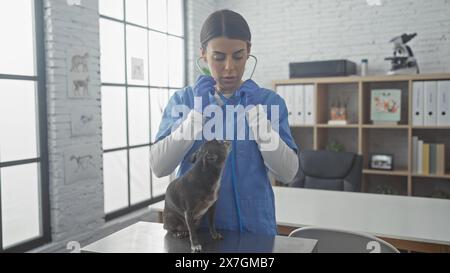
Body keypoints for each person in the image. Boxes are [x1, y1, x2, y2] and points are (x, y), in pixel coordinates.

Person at [150, 9, 299, 235]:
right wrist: (196, 116)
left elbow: (287, 173)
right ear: (203, 54)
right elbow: (159, 166)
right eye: (218, 57)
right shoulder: (184, 101)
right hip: (197, 235)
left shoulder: (268, 103)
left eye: (238, 56)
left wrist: (256, 116)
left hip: (254, 233)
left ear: (248, 51)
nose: (229, 67)